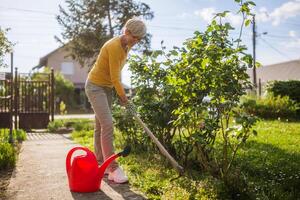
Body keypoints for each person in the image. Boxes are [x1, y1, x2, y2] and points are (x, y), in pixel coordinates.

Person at [85, 18, 147, 184]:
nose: (137, 42)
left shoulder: (125, 46)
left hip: (106, 88)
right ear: (127, 32)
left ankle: (101, 164)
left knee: (100, 126)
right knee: (107, 125)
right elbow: (115, 78)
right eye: (135, 38)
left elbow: (116, 76)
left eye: (139, 40)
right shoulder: (114, 47)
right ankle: (112, 168)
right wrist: (124, 98)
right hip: (95, 86)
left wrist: (120, 94)